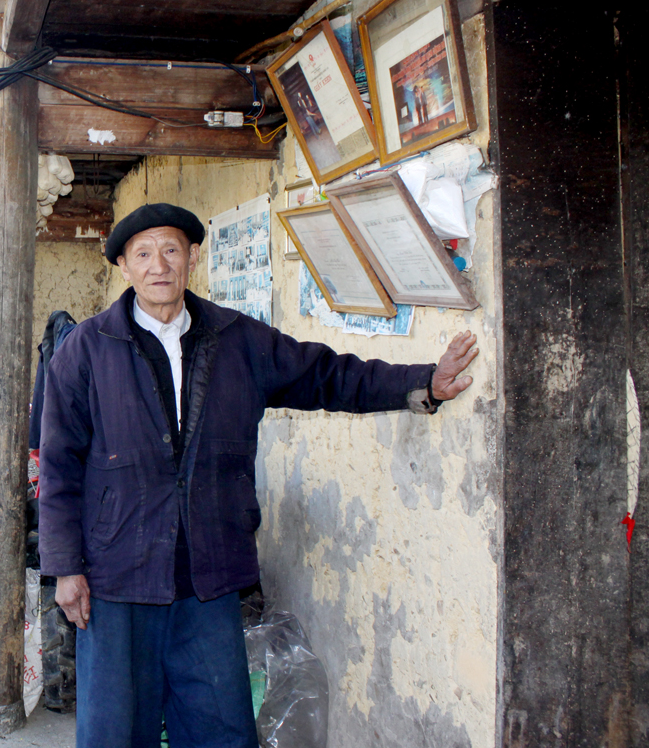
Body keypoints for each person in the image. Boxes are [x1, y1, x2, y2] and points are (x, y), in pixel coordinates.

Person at [38, 203, 477, 748]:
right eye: (144, 253)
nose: (159, 265)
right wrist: (65, 568)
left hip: (210, 579)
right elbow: (59, 465)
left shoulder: (238, 340)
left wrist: (424, 384)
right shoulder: (85, 350)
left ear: (192, 258)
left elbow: (327, 376)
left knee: (222, 731)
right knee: (115, 734)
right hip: (117, 578)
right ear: (124, 266)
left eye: (171, 250)